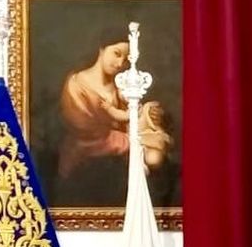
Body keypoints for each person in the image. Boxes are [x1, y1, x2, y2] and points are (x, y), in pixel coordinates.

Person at [57, 28, 172, 188]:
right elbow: (86, 130)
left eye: (125, 60)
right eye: (117, 54)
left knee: (155, 158)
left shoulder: (121, 86)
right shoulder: (76, 84)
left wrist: (149, 114)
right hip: (85, 156)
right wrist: (131, 140)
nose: (119, 64)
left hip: (120, 154)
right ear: (102, 49)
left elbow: (130, 118)